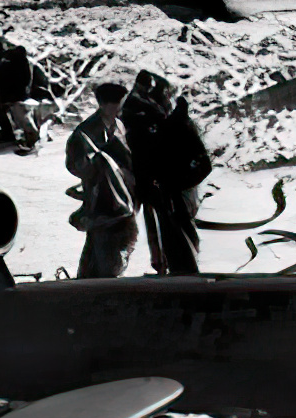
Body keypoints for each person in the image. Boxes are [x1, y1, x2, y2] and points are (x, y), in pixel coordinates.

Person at [123, 72, 212, 277]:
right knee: (170, 233)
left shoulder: (149, 116)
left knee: (172, 233)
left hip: (163, 186)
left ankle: (178, 269)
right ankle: (178, 270)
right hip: (160, 186)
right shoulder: (144, 115)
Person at [66, 83, 138, 278]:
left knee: (105, 249)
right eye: (119, 104)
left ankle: (90, 284)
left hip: (119, 200)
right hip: (104, 202)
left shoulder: (118, 124)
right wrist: (104, 167)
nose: (123, 108)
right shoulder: (85, 132)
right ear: (105, 105)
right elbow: (76, 165)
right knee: (105, 253)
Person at [0, 40, 39, 154]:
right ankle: (8, 133)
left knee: (21, 117)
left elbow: (21, 78)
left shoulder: (8, 59)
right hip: (10, 94)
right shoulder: (3, 60)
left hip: (16, 94)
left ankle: (31, 142)